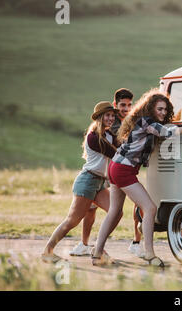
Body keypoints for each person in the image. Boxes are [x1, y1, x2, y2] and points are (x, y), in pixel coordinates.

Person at [91, 88, 182, 267]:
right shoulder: (146, 121)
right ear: (151, 108)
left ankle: (97, 252)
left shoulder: (143, 121)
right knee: (150, 208)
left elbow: (165, 130)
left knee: (115, 212)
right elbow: (167, 132)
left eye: (165, 110)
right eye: (159, 109)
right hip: (123, 169)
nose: (163, 112)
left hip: (117, 165)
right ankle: (149, 253)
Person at [68, 89, 145, 258]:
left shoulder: (130, 120)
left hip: (113, 171)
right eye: (122, 105)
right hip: (110, 171)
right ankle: (87, 244)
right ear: (116, 105)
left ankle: (136, 242)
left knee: (129, 205)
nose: (126, 108)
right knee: (91, 210)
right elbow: (117, 148)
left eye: (129, 105)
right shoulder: (112, 124)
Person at [41, 101, 118, 263]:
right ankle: (47, 252)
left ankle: (98, 248)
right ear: (99, 117)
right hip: (88, 181)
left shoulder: (110, 135)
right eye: (107, 115)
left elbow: (122, 147)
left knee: (116, 211)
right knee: (72, 221)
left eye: (112, 115)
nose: (111, 118)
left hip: (100, 183)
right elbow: (116, 154)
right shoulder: (93, 137)